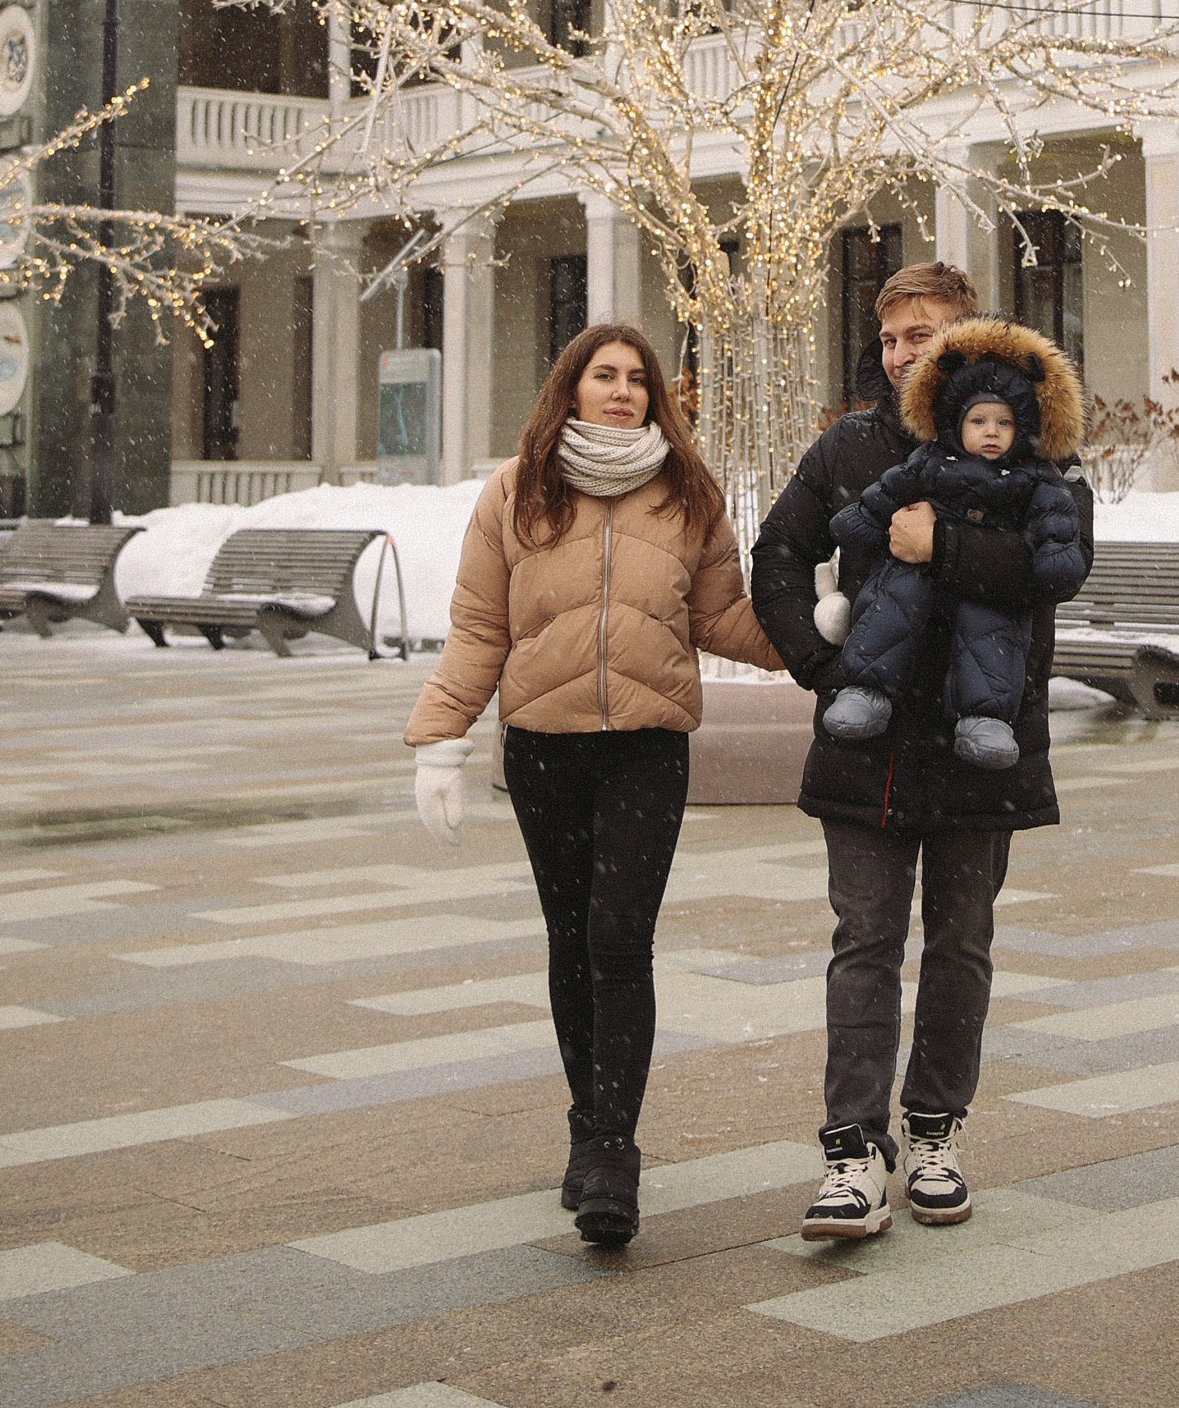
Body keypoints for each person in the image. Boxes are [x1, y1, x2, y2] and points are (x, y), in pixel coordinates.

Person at [404, 318, 781, 1250]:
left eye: (638, 380)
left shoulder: (685, 494)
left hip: (646, 748)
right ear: (569, 388)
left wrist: (817, 632)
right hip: (543, 748)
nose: (622, 391)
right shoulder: (517, 492)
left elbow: (723, 617)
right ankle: (587, 1126)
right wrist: (438, 739)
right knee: (570, 940)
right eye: (603, 376)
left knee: (620, 942)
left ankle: (613, 1149)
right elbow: (478, 626)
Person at [750, 265, 1094, 1242]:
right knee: (862, 941)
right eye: (892, 333)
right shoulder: (851, 444)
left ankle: (935, 1128)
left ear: (969, 341)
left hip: (984, 738)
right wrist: (820, 667)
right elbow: (776, 554)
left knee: (959, 945)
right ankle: (851, 1151)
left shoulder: (1035, 448)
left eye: (924, 332)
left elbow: (1051, 574)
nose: (903, 350)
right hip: (869, 738)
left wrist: (932, 543)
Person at [822, 321, 1089, 771]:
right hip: (912, 572)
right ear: (956, 422)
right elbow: (890, 491)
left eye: (1003, 422)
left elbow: (1058, 526)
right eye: (978, 421)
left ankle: (985, 718)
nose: (991, 432)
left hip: (989, 588)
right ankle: (866, 689)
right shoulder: (930, 460)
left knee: (992, 634)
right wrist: (862, 521)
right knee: (892, 604)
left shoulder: (1036, 475)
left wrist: (1055, 557)